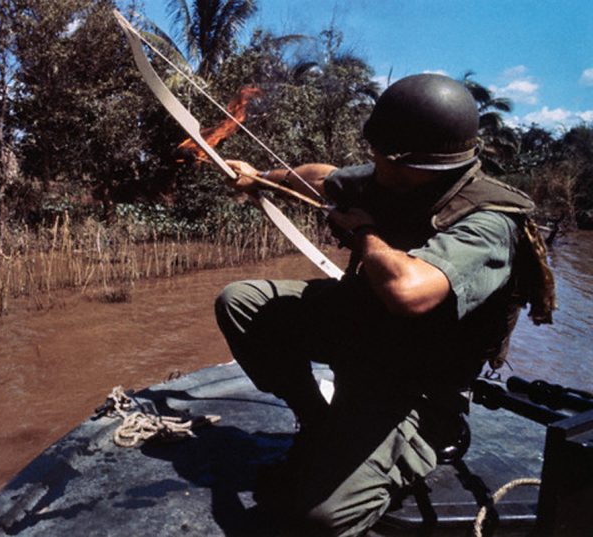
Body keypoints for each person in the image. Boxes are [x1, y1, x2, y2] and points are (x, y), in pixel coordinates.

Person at [215, 73, 555, 536]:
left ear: (427, 164)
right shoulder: (393, 177)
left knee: (322, 519)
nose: (374, 165)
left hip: (417, 385)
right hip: (364, 332)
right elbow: (324, 179)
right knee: (242, 302)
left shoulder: (489, 221)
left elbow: (409, 292)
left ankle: (428, 439)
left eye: (384, 159)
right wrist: (262, 178)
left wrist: (365, 234)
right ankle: (317, 420)